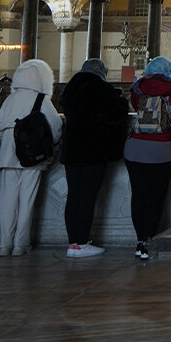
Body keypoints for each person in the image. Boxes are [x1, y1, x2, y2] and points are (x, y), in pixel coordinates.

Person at [60, 58, 131, 258]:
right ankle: (82, 243)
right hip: (93, 151)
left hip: (72, 150)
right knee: (87, 198)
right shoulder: (102, 89)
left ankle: (73, 243)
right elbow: (117, 115)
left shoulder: (70, 89)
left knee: (73, 196)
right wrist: (122, 101)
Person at [126, 56, 171, 261]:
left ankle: (139, 240)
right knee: (156, 196)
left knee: (138, 195)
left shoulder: (138, 88)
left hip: (135, 148)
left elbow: (134, 105)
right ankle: (149, 239)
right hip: (161, 150)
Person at [0, 59, 62, 257]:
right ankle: (20, 244)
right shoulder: (41, 100)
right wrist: (52, 147)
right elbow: (56, 128)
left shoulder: (10, 99)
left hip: (8, 155)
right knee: (27, 200)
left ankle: (4, 245)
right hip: (32, 156)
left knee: (6, 201)